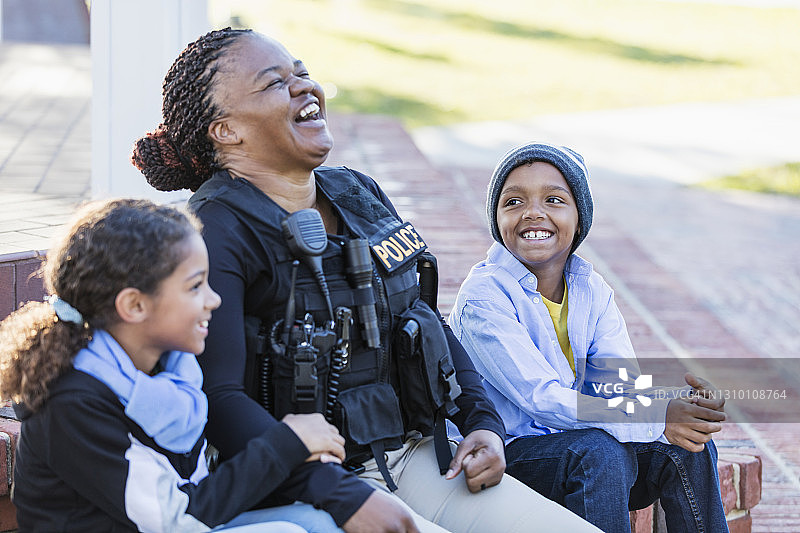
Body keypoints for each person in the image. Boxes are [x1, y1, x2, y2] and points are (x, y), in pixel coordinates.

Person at [131, 28, 599, 533]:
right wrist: (341, 495)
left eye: (303, 73)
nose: (304, 88)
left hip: (419, 457)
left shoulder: (358, 193)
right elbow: (218, 398)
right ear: (226, 131)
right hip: (304, 484)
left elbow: (423, 320)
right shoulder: (214, 231)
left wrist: (482, 423)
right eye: (274, 83)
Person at [0, 198, 348, 532]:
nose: (215, 300)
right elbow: (176, 519)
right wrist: (287, 443)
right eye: (195, 286)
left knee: (319, 522)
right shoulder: (73, 401)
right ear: (135, 306)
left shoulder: (169, 367)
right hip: (174, 522)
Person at [447, 142, 731, 533]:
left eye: (553, 199)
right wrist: (654, 419)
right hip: (507, 455)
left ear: (579, 218)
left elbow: (619, 386)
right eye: (513, 202)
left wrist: (676, 407)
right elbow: (540, 398)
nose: (532, 212)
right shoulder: (483, 298)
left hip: (581, 451)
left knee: (688, 445)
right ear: (497, 220)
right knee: (598, 452)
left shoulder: (590, 289)